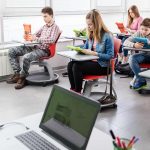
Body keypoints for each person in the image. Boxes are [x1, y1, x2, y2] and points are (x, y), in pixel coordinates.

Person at [6, 7, 61, 89]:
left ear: (51, 15)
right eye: (43, 16)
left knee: (26, 57)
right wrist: (28, 36)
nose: (44, 18)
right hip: (35, 47)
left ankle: (22, 78)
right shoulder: (44, 27)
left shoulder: (55, 27)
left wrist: (36, 38)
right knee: (12, 51)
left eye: (45, 16)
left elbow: (52, 40)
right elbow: (34, 35)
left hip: (44, 50)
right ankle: (17, 74)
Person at [67, 9, 114, 94]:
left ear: (97, 24)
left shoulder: (107, 35)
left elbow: (110, 56)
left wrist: (95, 53)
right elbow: (85, 48)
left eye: (90, 24)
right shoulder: (91, 35)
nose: (88, 27)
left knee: (76, 67)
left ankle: (77, 93)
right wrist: (79, 50)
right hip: (91, 62)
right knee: (70, 64)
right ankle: (73, 90)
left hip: (103, 66)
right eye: (87, 24)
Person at [123, 18, 150, 90]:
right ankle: (141, 80)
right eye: (142, 29)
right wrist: (134, 45)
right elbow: (125, 42)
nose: (143, 31)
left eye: (146, 30)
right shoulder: (138, 33)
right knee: (132, 58)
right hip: (144, 56)